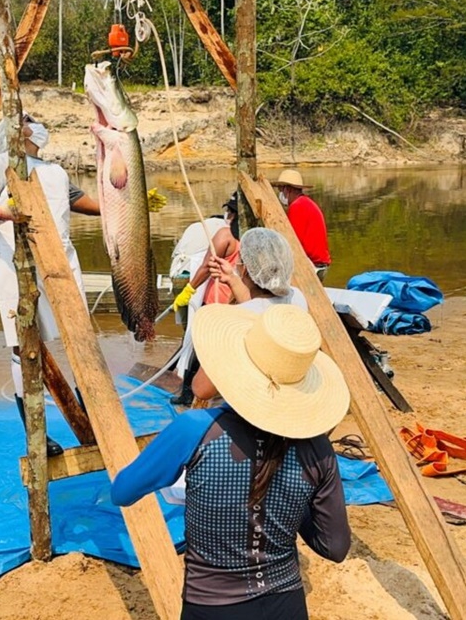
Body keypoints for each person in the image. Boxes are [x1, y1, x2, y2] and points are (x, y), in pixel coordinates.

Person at [112, 303, 351, 619]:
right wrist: (296, 503)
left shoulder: (196, 430)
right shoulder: (317, 450)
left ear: (236, 367)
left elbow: (123, 492)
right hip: (287, 604)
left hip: (211, 606)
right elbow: (334, 547)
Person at [0, 115, 100, 458]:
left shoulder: (55, 172)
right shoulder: (3, 163)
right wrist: (5, 212)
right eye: (28, 121)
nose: (36, 126)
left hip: (60, 262)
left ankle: (95, 419)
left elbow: (84, 203)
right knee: (23, 346)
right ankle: (37, 434)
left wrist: (125, 204)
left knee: (79, 335)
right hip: (16, 263)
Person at [171, 228, 305, 406]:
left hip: (250, 406)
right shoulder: (298, 298)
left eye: (240, 261)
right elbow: (259, 307)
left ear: (246, 271)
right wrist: (233, 279)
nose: (237, 263)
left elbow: (202, 389)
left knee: (188, 424)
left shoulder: (232, 322)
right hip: (286, 398)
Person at [271, 170, 331, 281]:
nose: (279, 193)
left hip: (314, 266)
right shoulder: (305, 202)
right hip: (320, 263)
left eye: (280, 189)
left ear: (287, 189)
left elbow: (292, 242)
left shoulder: (297, 207)